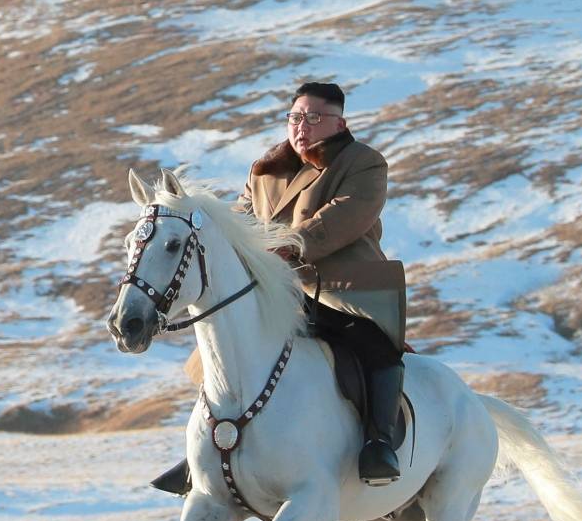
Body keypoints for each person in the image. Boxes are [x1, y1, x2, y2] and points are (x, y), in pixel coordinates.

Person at [152, 81, 407, 495]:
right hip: (276, 290)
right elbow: (240, 221)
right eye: (294, 117)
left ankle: (379, 444)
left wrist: (285, 246)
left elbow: (343, 218)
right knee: (222, 353)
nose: (300, 126)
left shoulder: (363, 164)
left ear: (338, 122)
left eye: (313, 118)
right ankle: (207, 451)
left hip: (340, 288)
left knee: (374, 348)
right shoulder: (264, 170)